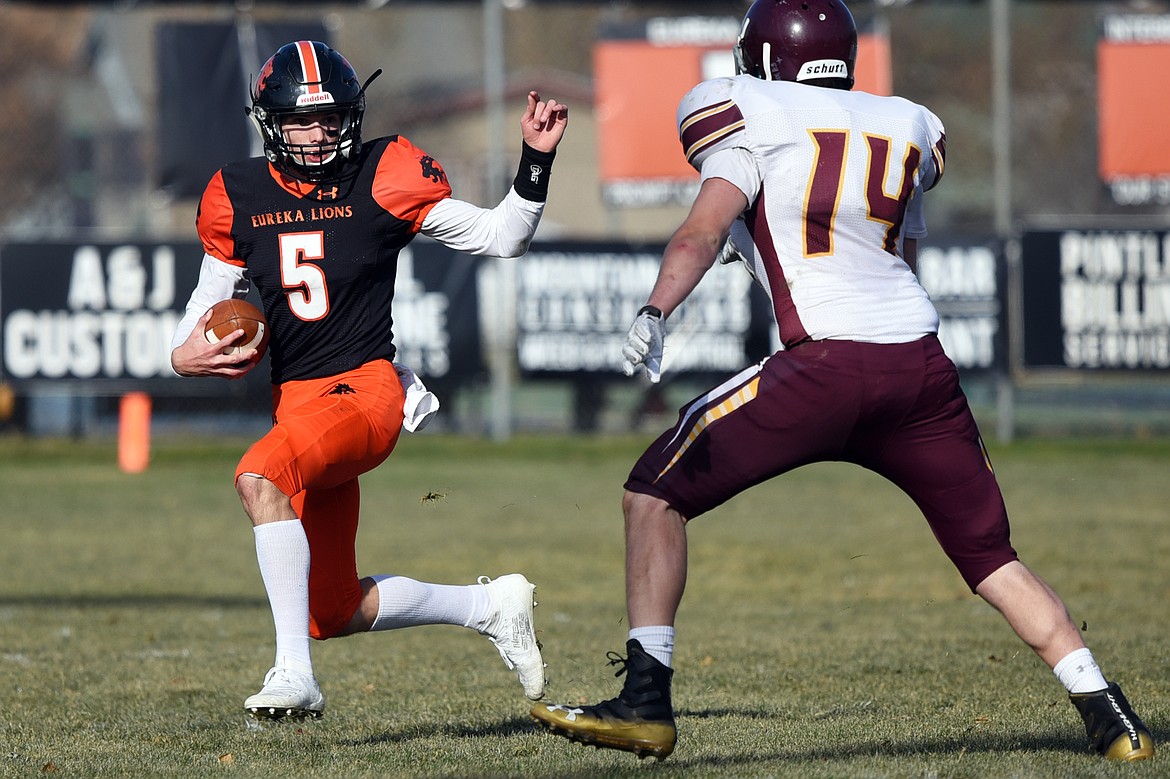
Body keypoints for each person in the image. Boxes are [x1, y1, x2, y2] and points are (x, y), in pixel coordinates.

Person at [530, 0, 1154, 763]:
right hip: (919, 367)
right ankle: (1111, 715)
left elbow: (699, 229)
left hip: (824, 367)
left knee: (653, 491)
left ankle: (645, 701)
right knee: (991, 555)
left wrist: (656, 308)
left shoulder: (748, 110)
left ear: (761, 57)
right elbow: (892, 256)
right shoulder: (907, 124)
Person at [170, 40, 568, 721]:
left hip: (365, 391)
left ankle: (294, 674)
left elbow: (504, 235)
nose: (319, 133)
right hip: (298, 408)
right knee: (331, 607)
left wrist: (535, 159)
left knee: (259, 476)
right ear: (271, 123)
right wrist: (187, 355)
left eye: (331, 119)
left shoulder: (383, 173)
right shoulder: (234, 193)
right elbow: (195, 322)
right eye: (302, 120)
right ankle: (492, 605)